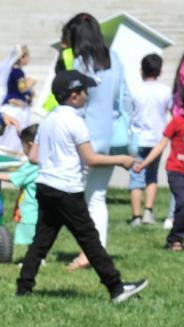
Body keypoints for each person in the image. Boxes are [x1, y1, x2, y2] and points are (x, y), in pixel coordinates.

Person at [16, 71, 146, 302]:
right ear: (74, 96)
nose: (87, 95)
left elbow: (34, 157)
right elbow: (91, 159)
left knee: (41, 241)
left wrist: (55, 158)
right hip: (67, 189)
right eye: (85, 91)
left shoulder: (48, 120)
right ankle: (116, 288)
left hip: (45, 187)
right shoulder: (76, 121)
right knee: (89, 239)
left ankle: (23, 288)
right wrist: (122, 160)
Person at [55, 13, 129, 263]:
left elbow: (78, 105)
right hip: (109, 138)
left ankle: (86, 250)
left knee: (71, 198)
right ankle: (97, 251)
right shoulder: (115, 58)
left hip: (84, 139)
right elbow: (125, 99)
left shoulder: (79, 63)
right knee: (97, 197)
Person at [138, 85, 184, 252]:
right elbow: (161, 145)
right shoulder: (177, 122)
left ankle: (177, 236)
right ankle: (176, 239)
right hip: (176, 170)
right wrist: (145, 163)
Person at [128, 53, 170, 226]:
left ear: (141, 70)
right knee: (152, 176)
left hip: (137, 138)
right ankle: (148, 211)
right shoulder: (165, 90)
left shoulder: (135, 89)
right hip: (157, 139)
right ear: (160, 71)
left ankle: (136, 216)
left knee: (136, 177)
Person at [10, 123, 40, 249]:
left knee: (32, 239)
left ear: (30, 145)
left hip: (30, 211)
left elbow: (14, 178)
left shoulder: (32, 165)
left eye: (22, 145)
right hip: (37, 210)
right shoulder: (44, 161)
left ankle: (35, 260)